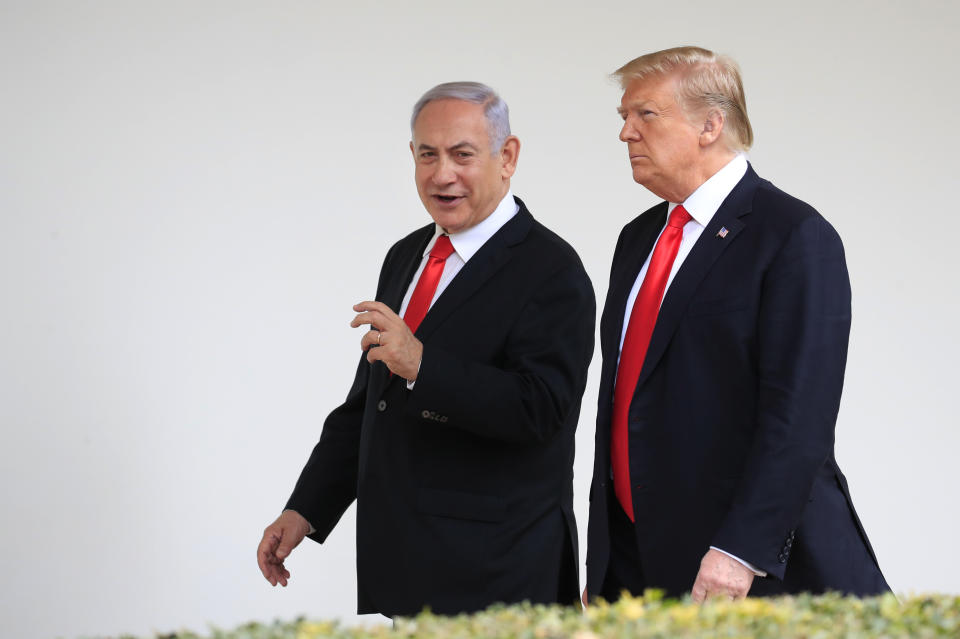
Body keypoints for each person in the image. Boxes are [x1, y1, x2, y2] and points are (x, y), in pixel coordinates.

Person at [257, 81, 595, 617]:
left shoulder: (552, 270)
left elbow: (542, 410)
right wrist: (305, 509)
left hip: (499, 577)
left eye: (462, 155)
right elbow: (370, 402)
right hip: (411, 569)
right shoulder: (407, 254)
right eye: (427, 155)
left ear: (507, 157)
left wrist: (423, 365)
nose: (442, 175)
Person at [585, 46, 889, 603]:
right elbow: (624, 405)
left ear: (710, 124)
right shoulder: (637, 241)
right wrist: (604, 561)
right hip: (638, 562)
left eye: (645, 115)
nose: (626, 133)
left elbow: (800, 417)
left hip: (744, 572)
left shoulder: (792, 235)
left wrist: (741, 551)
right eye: (623, 118)